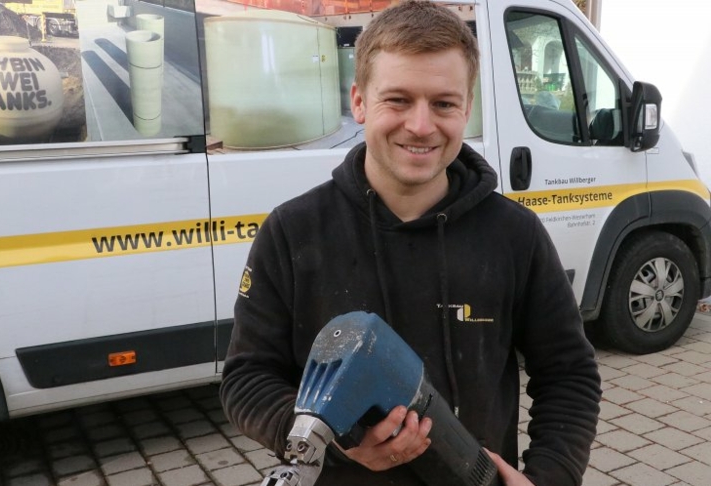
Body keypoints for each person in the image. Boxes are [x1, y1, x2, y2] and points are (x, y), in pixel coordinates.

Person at [220, 1, 602, 485]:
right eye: (397, 100)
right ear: (359, 101)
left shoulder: (514, 234)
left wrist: (548, 477)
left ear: (467, 107)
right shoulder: (293, 232)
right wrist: (335, 442)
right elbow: (246, 379)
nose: (421, 126)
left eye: (443, 103)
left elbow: (569, 374)